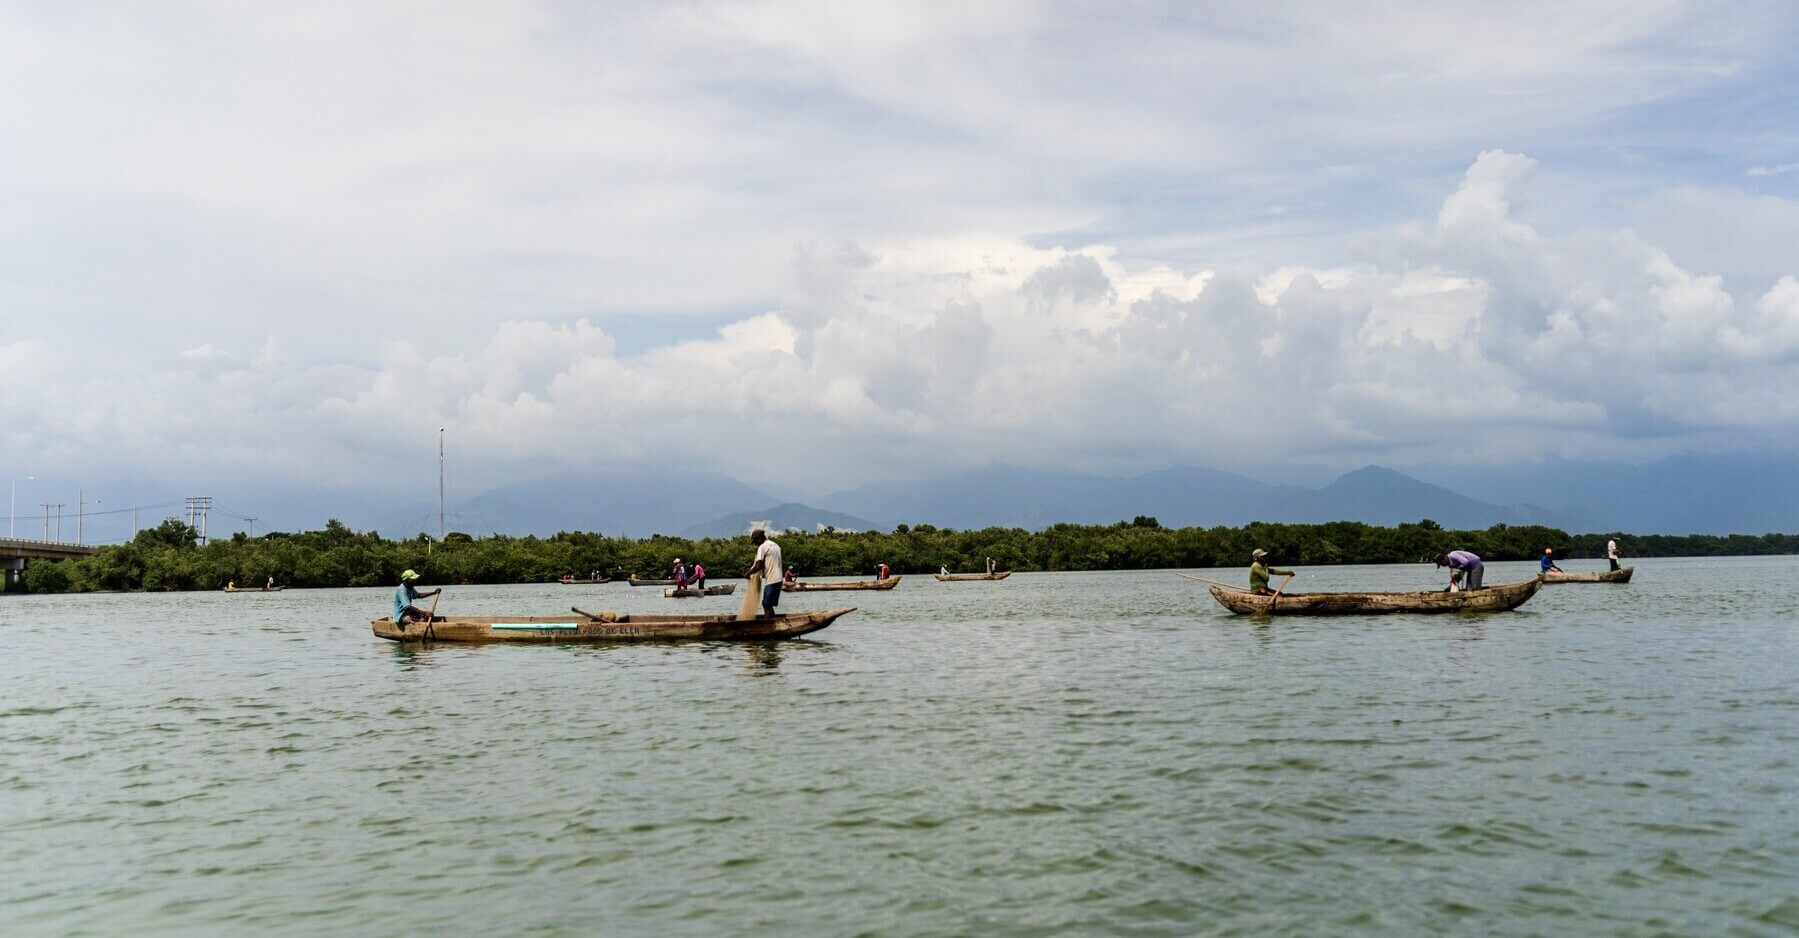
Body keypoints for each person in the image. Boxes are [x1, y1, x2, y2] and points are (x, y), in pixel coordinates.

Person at [744, 530, 784, 616]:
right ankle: (773, 621)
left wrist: (748, 573)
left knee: (766, 604)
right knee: (768, 604)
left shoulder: (762, 547)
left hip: (772, 580)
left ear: (759, 538)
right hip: (779, 579)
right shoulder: (776, 545)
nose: (756, 544)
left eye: (755, 542)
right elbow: (767, 564)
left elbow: (758, 566)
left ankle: (769, 625)